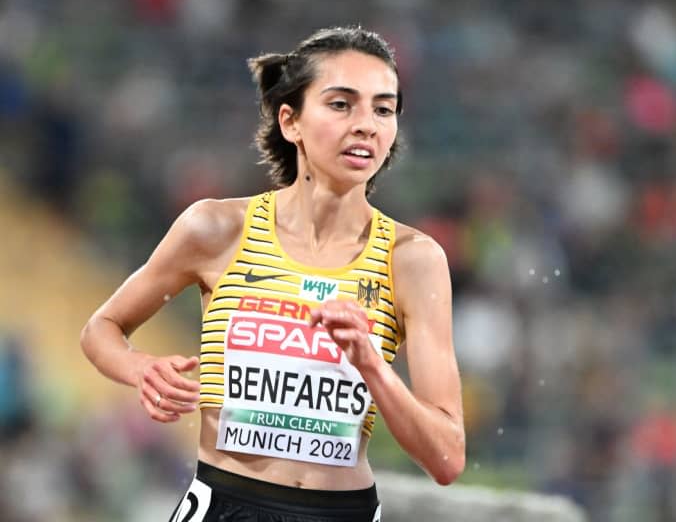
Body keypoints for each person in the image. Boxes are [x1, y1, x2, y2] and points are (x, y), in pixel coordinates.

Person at [80, 26, 465, 521]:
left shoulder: (413, 260)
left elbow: (447, 457)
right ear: (291, 121)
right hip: (225, 504)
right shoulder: (216, 228)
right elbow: (101, 330)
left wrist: (371, 364)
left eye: (383, 109)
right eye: (341, 104)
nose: (367, 125)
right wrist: (141, 370)